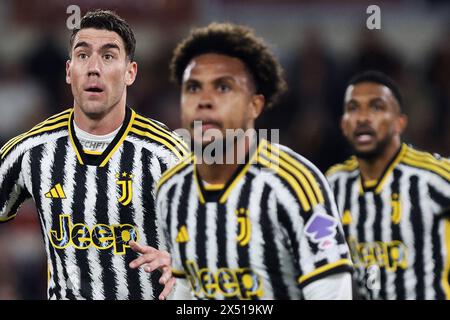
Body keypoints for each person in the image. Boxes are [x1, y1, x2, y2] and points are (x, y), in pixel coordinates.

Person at [154, 23, 353, 300]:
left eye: (223, 87)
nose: (204, 100)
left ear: (255, 105)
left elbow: (332, 290)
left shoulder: (295, 183)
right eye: (193, 87)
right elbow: (185, 289)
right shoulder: (171, 189)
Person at [0, 9, 189, 300]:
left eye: (109, 56)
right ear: (68, 71)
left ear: (130, 72)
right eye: (83, 55)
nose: (93, 67)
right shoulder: (31, 150)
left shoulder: (166, 153)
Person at [326, 70, 450, 300]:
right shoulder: (333, 185)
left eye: (376, 107)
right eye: (353, 108)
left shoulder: (432, 177)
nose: (362, 118)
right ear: (344, 124)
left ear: (399, 123)